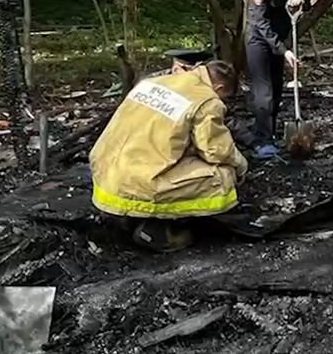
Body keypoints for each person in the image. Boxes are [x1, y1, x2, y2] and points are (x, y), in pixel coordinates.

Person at [89, 60, 248, 251]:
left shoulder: (153, 82)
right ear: (219, 87)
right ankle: (161, 229)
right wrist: (240, 164)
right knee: (223, 175)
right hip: (139, 182)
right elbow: (216, 150)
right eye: (224, 97)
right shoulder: (206, 100)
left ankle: (126, 217)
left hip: (106, 173)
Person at [246, 0, 308, 159]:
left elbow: (302, 2)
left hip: (279, 43)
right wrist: (284, 51)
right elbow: (260, 24)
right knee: (264, 93)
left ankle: (270, 133)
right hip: (259, 43)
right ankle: (261, 140)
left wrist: (299, 1)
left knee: (277, 89)